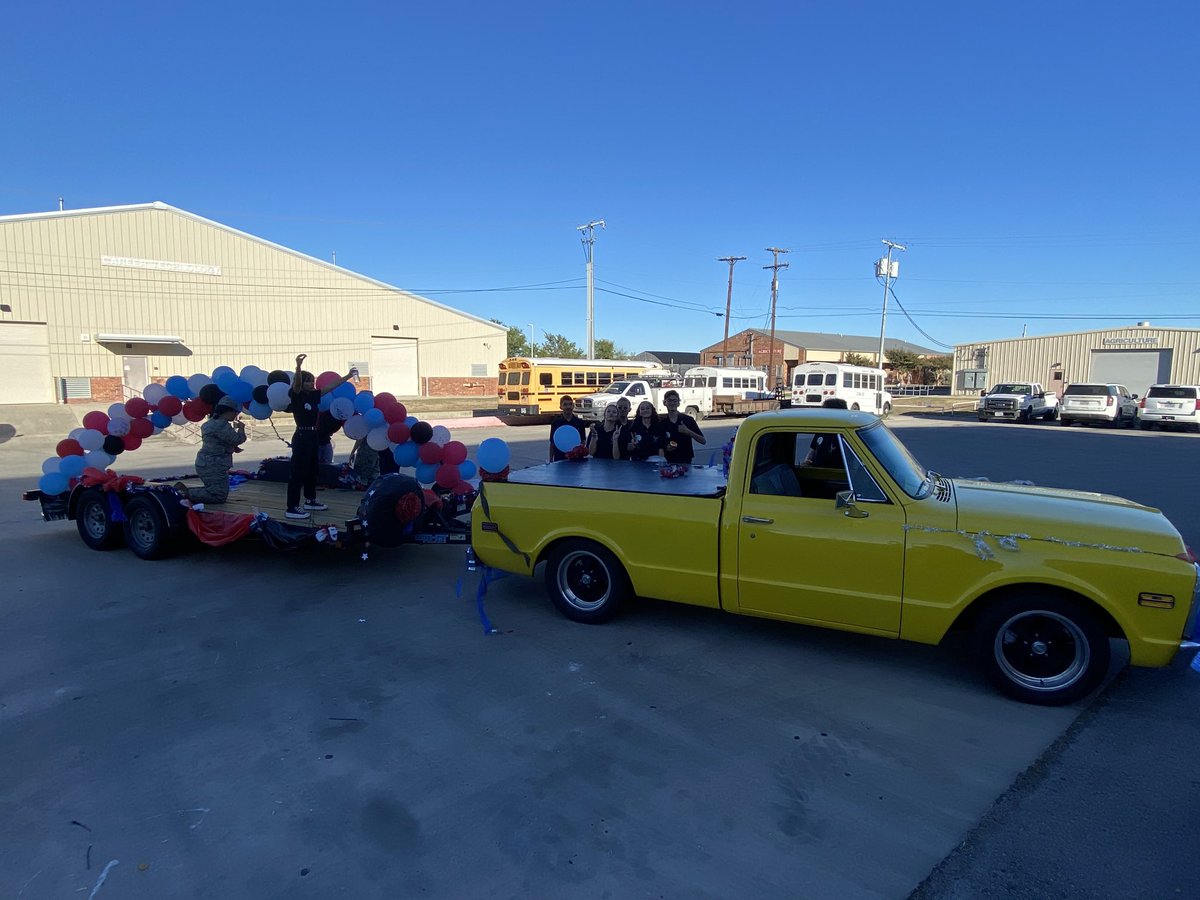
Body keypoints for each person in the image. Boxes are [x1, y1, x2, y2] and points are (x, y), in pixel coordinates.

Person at [286, 354, 357, 519]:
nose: (312, 383)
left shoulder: (314, 395)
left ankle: (310, 500)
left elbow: (331, 387)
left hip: (313, 435)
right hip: (302, 435)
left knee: (312, 469)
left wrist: (347, 376)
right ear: (301, 383)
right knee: (298, 472)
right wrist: (298, 366)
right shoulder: (296, 395)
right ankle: (292, 507)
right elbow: (296, 384)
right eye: (308, 381)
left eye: (312, 380)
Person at [181, 395, 247, 504]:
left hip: (207, 463)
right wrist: (241, 429)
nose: (236, 415)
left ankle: (186, 493)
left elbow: (217, 441)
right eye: (235, 412)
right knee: (218, 495)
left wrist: (232, 448)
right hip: (214, 465)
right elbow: (237, 439)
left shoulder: (211, 423)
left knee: (217, 491)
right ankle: (184, 493)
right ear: (227, 411)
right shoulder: (221, 425)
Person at [660, 390, 705, 464]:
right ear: (665, 403)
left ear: (678, 403)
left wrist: (688, 431)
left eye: (675, 400)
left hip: (685, 460)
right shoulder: (662, 423)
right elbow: (660, 445)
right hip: (669, 460)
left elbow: (703, 441)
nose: (672, 403)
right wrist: (667, 448)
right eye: (669, 400)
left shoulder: (688, 420)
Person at [804, 397, 847, 468]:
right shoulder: (822, 431)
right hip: (817, 472)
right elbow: (813, 450)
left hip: (835, 474)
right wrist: (807, 461)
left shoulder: (843, 435)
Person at [547, 395, 588, 462]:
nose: (568, 407)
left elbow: (583, 441)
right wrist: (551, 459)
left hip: (576, 459)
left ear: (573, 406)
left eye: (570, 404)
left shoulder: (579, 422)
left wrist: (578, 452)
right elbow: (552, 443)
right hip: (559, 458)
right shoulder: (556, 422)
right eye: (565, 404)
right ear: (560, 407)